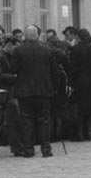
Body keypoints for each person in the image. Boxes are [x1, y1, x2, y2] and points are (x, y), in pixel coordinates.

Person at [10, 25, 58, 157]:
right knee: (44, 120)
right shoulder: (47, 50)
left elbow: (13, 69)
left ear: (25, 36)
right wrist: (54, 88)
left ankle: (28, 149)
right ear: (37, 35)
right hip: (44, 90)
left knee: (27, 121)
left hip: (25, 91)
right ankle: (46, 149)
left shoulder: (18, 51)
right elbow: (54, 72)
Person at [69, 29, 91, 141]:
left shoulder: (75, 49)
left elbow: (73, 68)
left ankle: (80, 133)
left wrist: (71, 82)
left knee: (80, 109)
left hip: (79, 82)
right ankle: (90, 131)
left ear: (79, 37)